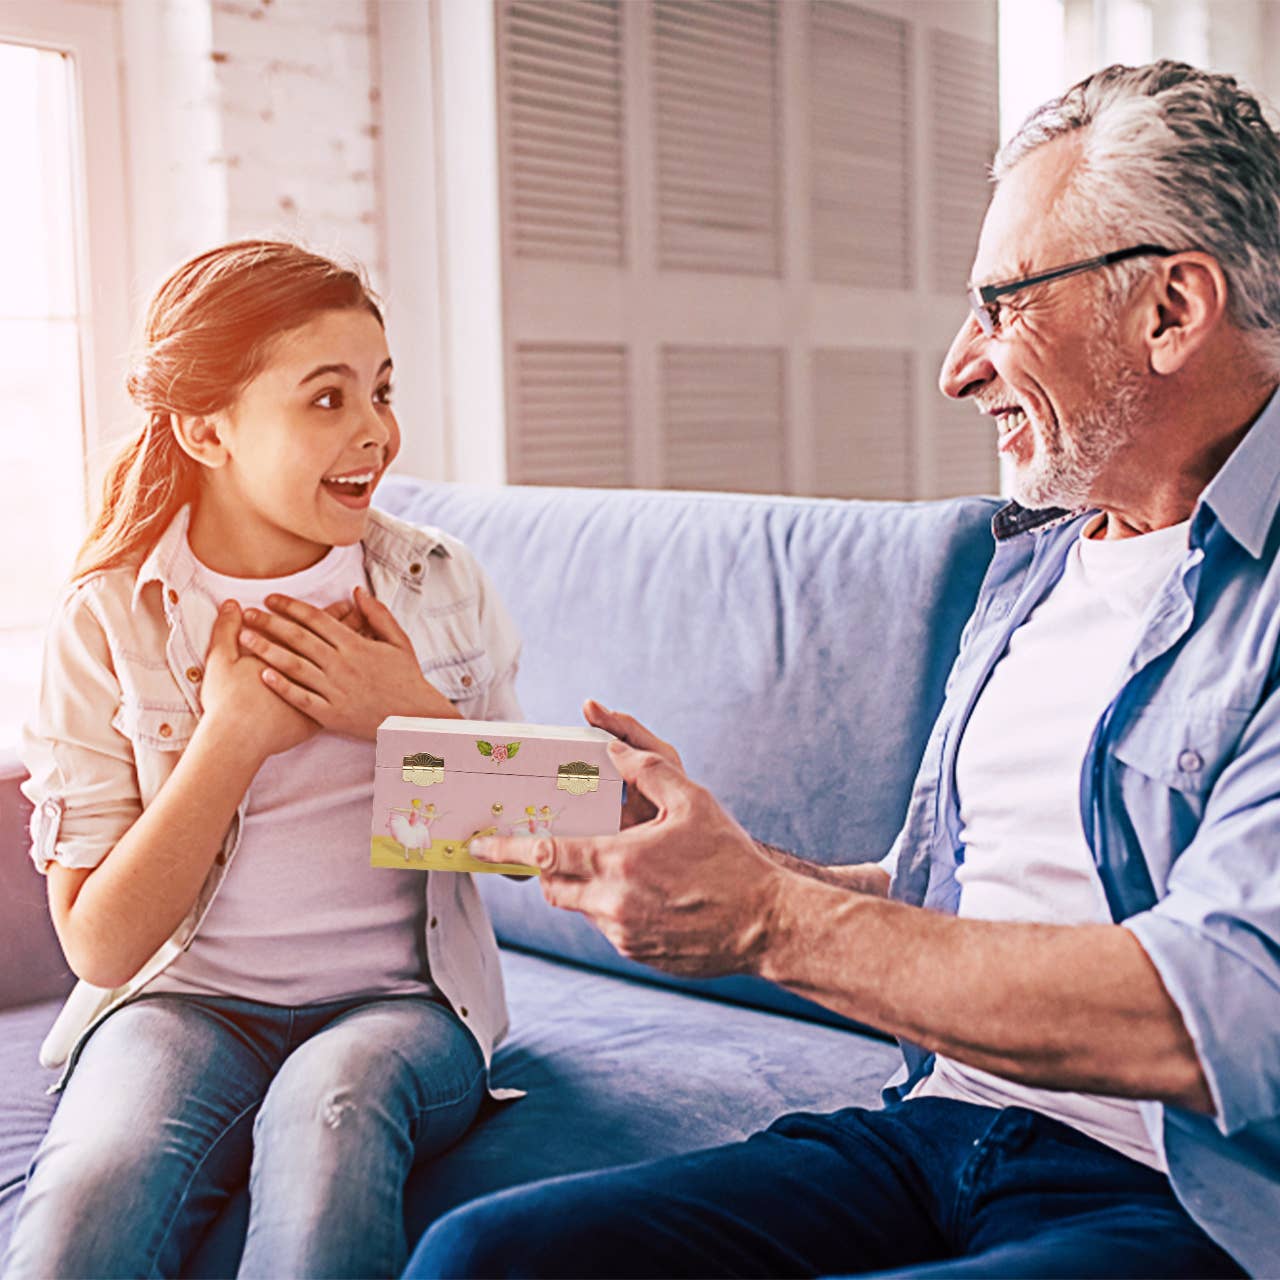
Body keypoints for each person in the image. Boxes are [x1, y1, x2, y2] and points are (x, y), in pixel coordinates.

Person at [409, 61, 1280, 1279]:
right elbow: (946, 899)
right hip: (937, 1128)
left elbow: (1219, 1011)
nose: (958, 366)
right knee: (483, 1255)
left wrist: (768, 920)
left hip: (1180, 1198)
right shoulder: (1035, 559)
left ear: (1171, 309)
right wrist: (723, 860)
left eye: (1000, 302)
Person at [2, 241, 522, 1279]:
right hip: (179, 1003)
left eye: (379, 389)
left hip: (404, 1008)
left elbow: (532, 847)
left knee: (330, 1112)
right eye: (325, 398)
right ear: (206, 428)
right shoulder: (110, 614)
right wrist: (230, 736)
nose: (374, 430)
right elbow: (100, 946)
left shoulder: (434, 580)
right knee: (92, 1189)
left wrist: (405, 714)